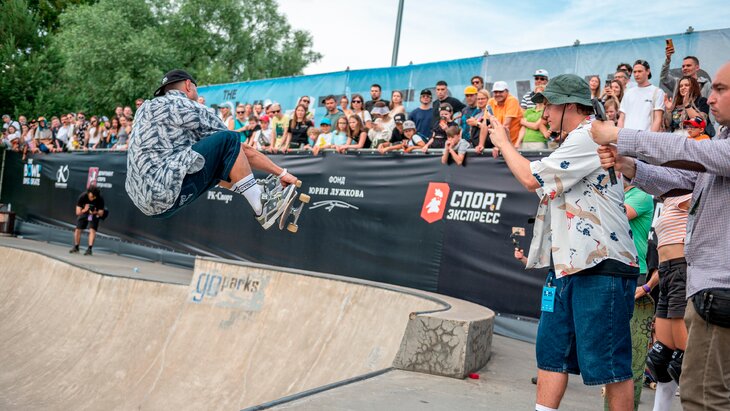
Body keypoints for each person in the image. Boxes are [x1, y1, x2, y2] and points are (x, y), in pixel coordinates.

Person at [490, 74, 639, 411]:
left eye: (550, 106)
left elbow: (530, 178)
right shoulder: (573, 141)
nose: (544, 114)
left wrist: (503, 142)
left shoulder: (588, 135)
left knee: (610, 368)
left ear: (570, 106)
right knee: (551, 356)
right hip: (567, 265)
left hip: (602, 266)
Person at [590, 61, 730, 411]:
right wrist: (628, 165)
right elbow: (683, 180)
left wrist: (619, 135)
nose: (710, 98)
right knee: (692, 385)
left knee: (704, 396)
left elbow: (688, 152)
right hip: (705, 287)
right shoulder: (722, 142)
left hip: (718, 290)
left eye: (720, 89)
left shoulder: (715, 148)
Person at [125, 69, 299, 230]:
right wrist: (282, 173)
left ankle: (256, 191)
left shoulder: (144, 109)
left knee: (209, 161)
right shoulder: (187, 106)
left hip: (144, 202)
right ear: (188, 85)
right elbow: (239, 148)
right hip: (166, 191)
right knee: (229, 139)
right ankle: (261, 207)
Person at [618, 60, 665, 132]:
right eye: (634, 72)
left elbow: (658, 119)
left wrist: (650, 136)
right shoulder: (628, 93)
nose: (636, 74)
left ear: (648, 71)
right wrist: (620, 135)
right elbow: (621, 118)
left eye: (639, 71)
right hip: (627, 135)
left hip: (646, 136)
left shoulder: (657, 92)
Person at [69, 186, 105, 256]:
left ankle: (89, 249)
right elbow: (77, 212)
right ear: (88, 193)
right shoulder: (82, 197)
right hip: (84, 212)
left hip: (93, 214)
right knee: (78, 229)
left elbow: (101, 213)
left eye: (94, 197)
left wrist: (95, 212)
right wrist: (85, 210)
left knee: (92, 229)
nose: (92, 198)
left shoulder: (100, 198)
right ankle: (76, 247)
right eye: (91, 196)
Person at [489, 81, 524, 148]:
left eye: (501, 92)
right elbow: (486, 124)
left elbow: (506, 125)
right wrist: (481, 144)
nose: (498, 94)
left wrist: (500, 144)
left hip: (515, 144)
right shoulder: (491, 101)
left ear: (507, 92)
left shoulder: (512, 100)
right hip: (502, 143)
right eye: (495, 92)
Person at [518, 85, 549, 150]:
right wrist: (518, 142)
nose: (538, 96)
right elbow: (523, 128)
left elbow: (536, 126)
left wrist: (524, 123)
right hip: (525, 141)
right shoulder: (529, 111)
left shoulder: (546, 111)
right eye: (536, 93)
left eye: (540, 94)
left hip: (539, 141)